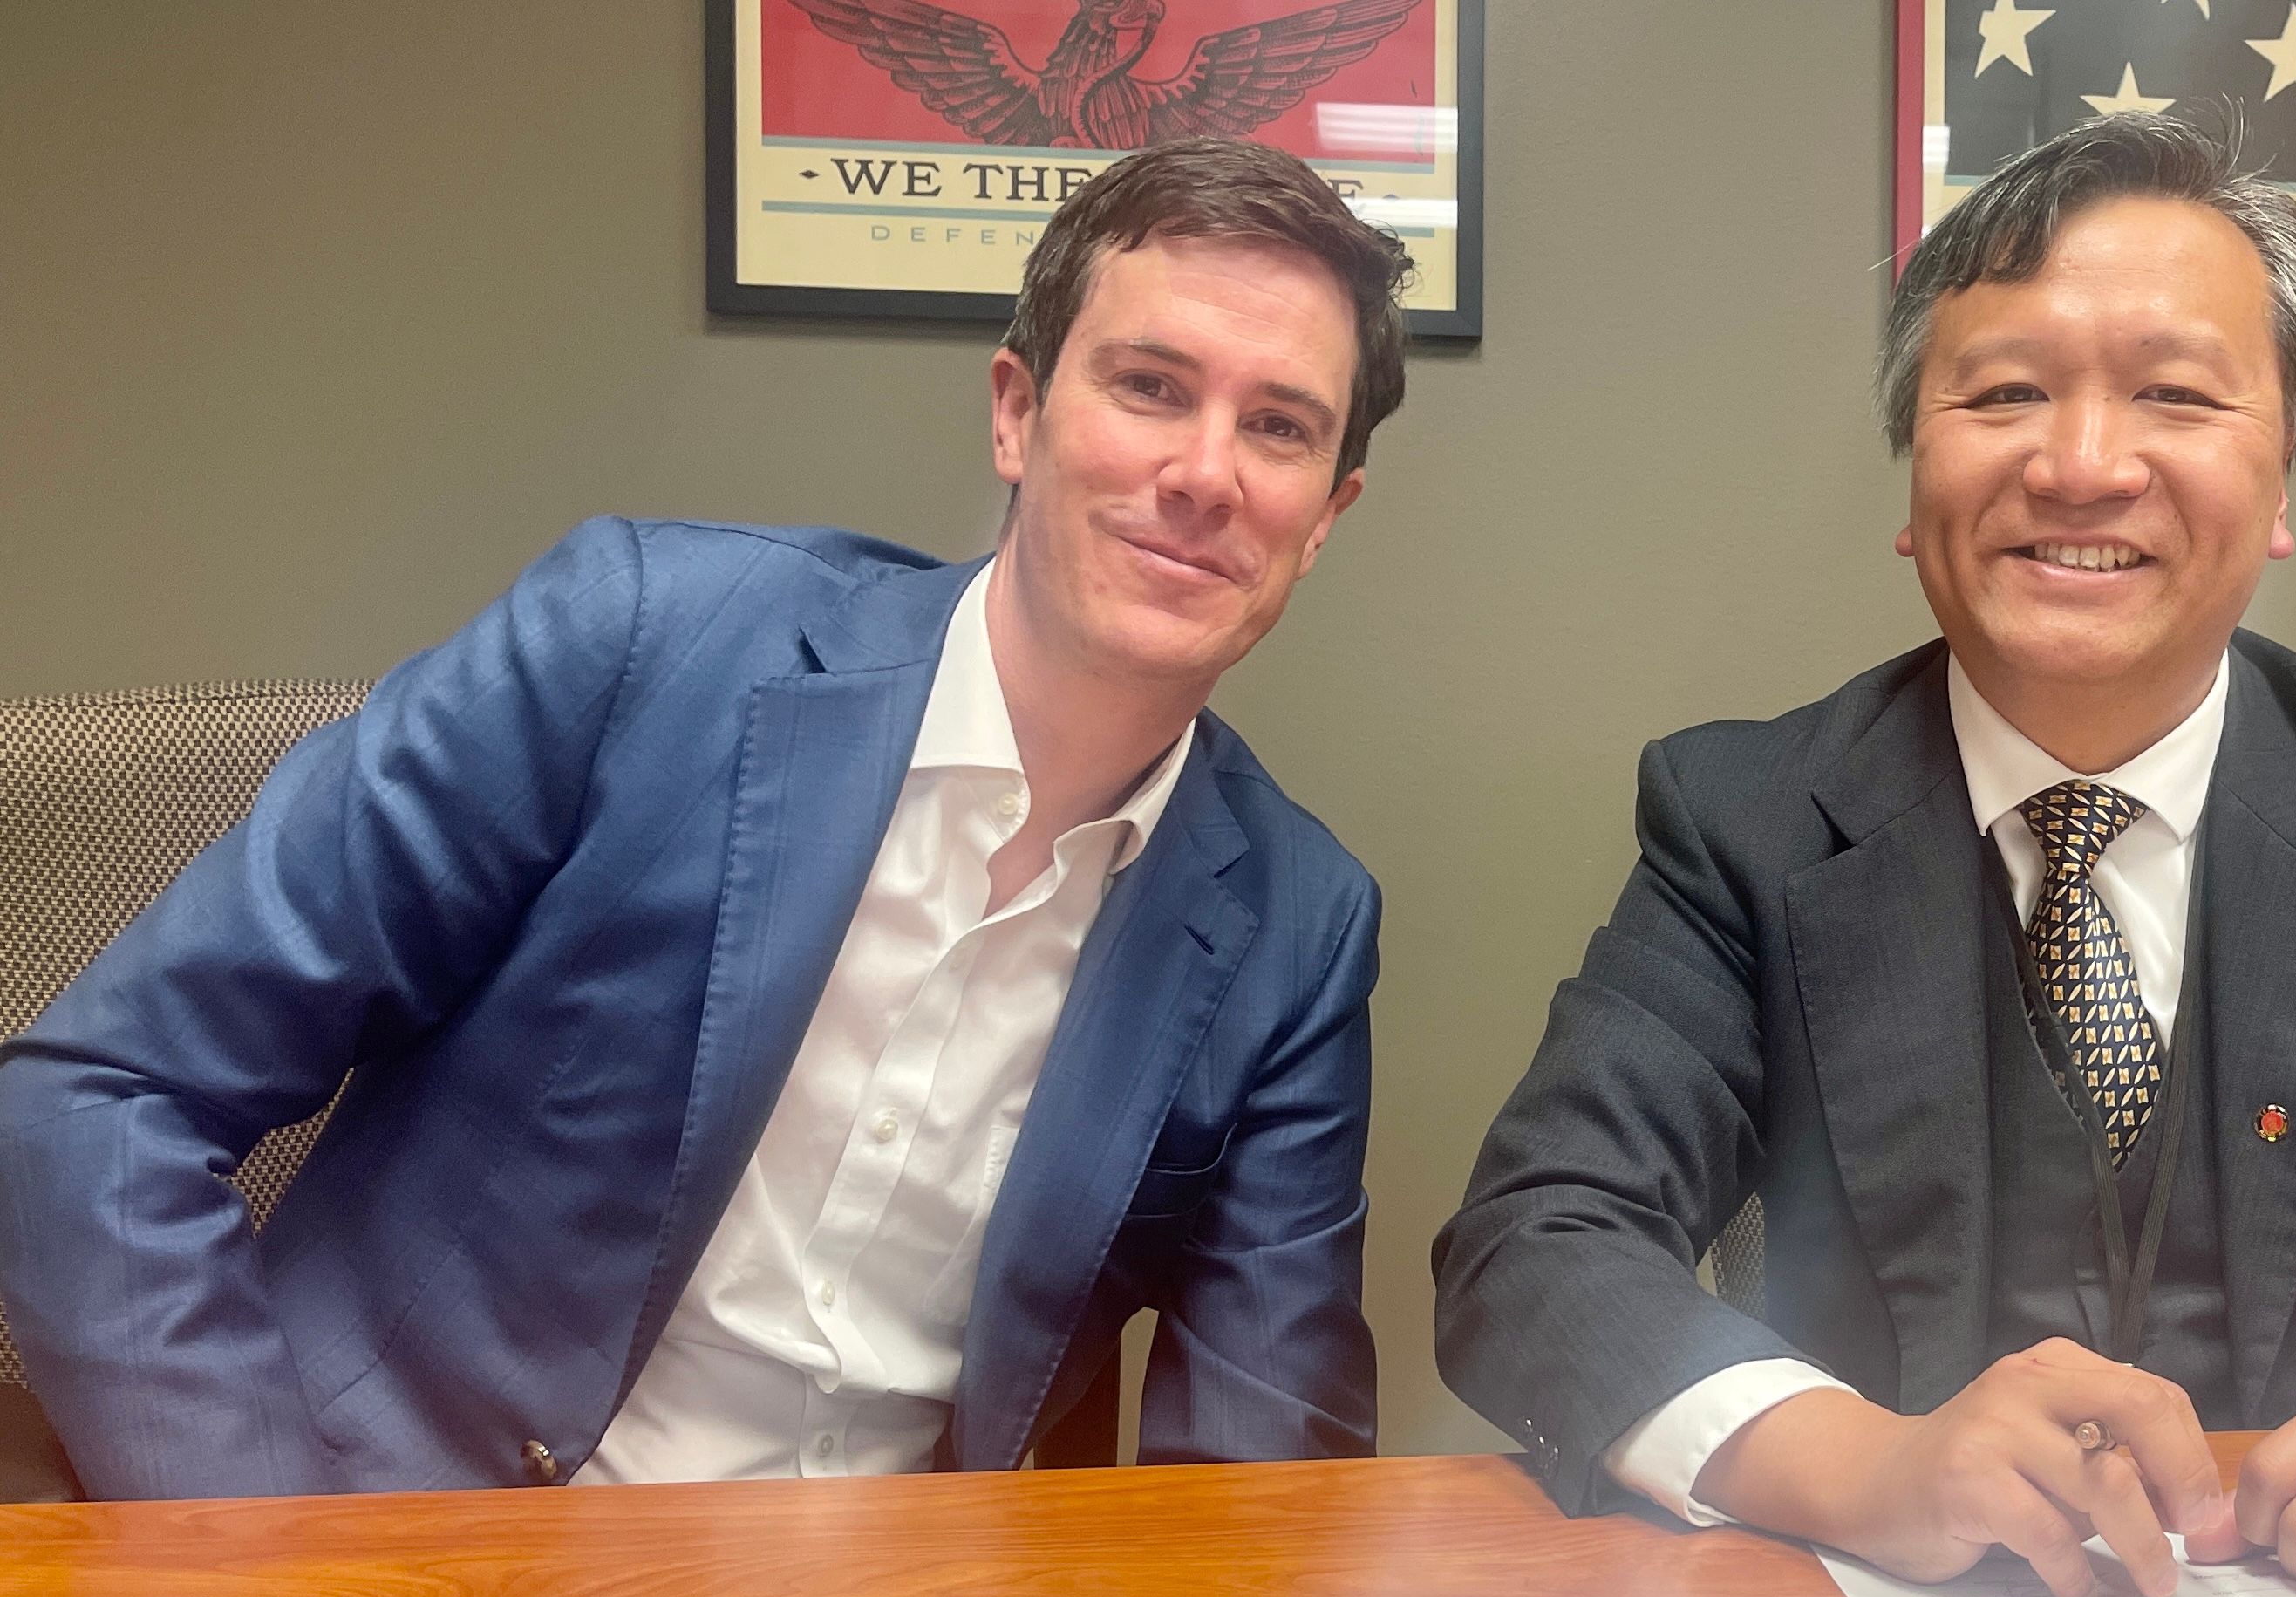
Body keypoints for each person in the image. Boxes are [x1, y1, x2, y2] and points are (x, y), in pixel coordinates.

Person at [1435, 114, 2296, 1597]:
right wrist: (1863, 1466)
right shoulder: (1746, 818)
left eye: (2173, 395)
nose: (2083, 464)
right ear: (1913, 477)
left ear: (2285, 480)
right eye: (2003, 394)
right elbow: (1539, 1245)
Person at [0, 138, 1403, 1498]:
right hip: (402, 1562)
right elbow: (96, 1100)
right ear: (1017, 413)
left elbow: (1259, 1466)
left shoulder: (1296, 924)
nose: (1209, 473)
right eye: (1152, 387)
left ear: (1327, 511)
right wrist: (273, 1575)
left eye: (1278, 426)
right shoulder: (639, 644)